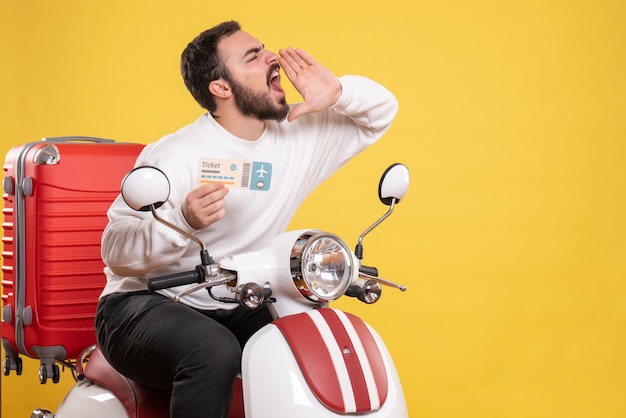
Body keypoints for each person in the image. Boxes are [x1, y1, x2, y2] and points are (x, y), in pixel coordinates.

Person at [95, 20, 398, 418]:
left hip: (236, 298)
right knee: (213, 351)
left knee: (315, 341)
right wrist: (183, 221)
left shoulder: (297, 131)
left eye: (264, 49)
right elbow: (115, 250)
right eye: (253, 57)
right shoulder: (175, 154)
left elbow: (381, 112)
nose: (273, 57)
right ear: (221, 88)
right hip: (142, 304)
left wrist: (337, 93)